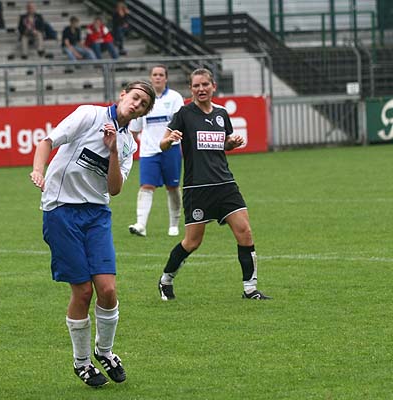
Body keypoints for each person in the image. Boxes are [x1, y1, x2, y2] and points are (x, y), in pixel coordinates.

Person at [30, 81, 155, 387]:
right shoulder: (89, 115)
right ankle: (82, 362)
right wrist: (38, 170)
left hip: (97, 214)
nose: (136, 105)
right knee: (83, 291)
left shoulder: (128, 144)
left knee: (108, 290)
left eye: (143, 105)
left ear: (143, 114)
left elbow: (114, 188)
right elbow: (47, 141)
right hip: (61, 209)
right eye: (135, 97)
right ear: (123, 95)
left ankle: (105, 351)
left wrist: (112, 151)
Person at [157, 68, 271, 301]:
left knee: (245, 232)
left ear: (213, 86)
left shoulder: (221, 114)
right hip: (197, 187)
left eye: (205, 85)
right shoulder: (184, 114)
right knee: (193, 242)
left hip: (225, 183)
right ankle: (166, 279)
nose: (201, 89)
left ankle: (250, 289)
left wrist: (231, 143)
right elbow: (163, 144)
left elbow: (223, 143)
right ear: (191, 89)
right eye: (196, 86)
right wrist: (170, 140)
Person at [128, 65, 184, 237]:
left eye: (161, 74)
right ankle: (141, 225)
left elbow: (180, 122)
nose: (158, 77)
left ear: (166, 78)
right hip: (148, 151)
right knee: (146, 186)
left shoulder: (175, 98)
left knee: (172, 186)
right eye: (155, 74)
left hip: (171, 149)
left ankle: (174, 224)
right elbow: (134, 128)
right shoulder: (144, 100)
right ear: (151, 78)